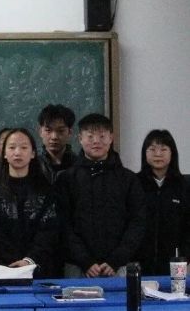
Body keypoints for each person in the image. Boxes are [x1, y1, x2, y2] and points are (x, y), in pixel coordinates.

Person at [57, 113, 145, 278]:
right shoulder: (67, 179)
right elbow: (63, 224)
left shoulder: (128, 179)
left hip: (119, 266)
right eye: (90, 136)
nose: (96, 141)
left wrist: (117, 259)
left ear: (111, 138)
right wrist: (85, 260)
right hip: (77, 267)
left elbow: (138, 222)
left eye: (102, 136)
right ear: (80, 139)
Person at [0, 129, 60, 278]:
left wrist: (29, 261)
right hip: (2, 270)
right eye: (12, 147)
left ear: (33, 153)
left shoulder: (46, 191)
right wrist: (13, 264)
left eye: (24, 147)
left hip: (39, 269)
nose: (17, 152)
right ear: (4, 153)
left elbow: (49, 231)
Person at [136, 129, 190, 275]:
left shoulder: (184, 185)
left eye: (163, 149)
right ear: (145, 153)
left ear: (172, 153)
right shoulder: (134, 183)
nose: (158, 154)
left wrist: (186, 256)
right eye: (152, 149)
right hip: (139, 262)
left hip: (176, 262)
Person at [38, 104, 77, 183]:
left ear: (69, 132)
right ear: (40, 132)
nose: (54, 137)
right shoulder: (32, 165)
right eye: (48, 130)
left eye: (61, 131)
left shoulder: (79, 165)